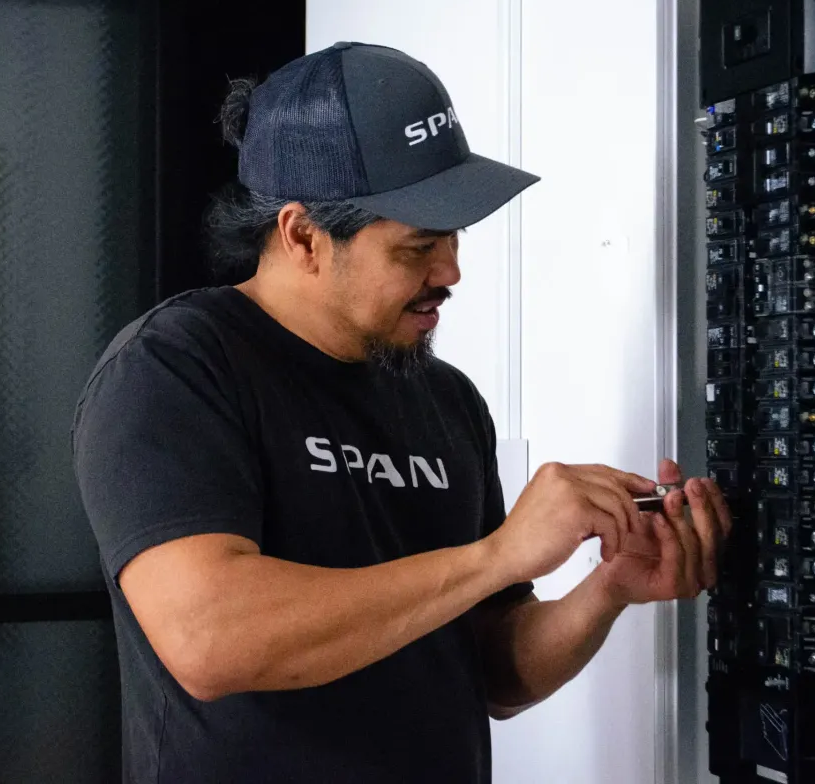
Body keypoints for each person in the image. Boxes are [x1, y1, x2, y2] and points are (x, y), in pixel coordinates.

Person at [71, 42, 731, 783]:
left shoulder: (446, 400)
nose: (451, 271)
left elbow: (494, 674)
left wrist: (609, 589)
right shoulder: (174, 369)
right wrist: (495, 556)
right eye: (417, 247)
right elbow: (209, 639)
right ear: (302, 236)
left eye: (453, 237)